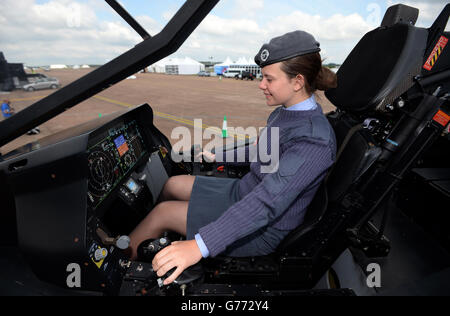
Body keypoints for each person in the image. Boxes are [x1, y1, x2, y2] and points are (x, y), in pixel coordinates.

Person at [128, 30, 338, 285]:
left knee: (162, 213)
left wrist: (199, 246)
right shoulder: (287, 112)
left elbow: (268, 203)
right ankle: (164, 239)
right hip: (244, 191)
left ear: (297, 82)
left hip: (265, 226)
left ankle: (126, 273)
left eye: (269, 79)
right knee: (173, 184)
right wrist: (216, 154)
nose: (261, 85)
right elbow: (262, 149)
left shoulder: (313, 141)